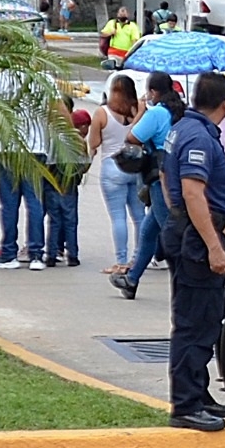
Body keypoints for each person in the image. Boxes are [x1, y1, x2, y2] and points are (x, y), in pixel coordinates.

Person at [161, 73, 225, 432]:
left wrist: (176, 213)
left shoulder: (182, 129)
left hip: (187, 227)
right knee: (196, 322)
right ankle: (187, 404)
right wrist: (212, 244)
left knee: (203, 318)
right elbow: (193, 192)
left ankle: (198, 393)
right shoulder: (197, 137)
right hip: (197, 235)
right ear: (224, 105)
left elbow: (165, 176)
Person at [0, 70, 69, 271]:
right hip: (37, 148)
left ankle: (8, 253)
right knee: (35, 203)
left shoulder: (0, 78)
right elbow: (59, 111)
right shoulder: (44, 79)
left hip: (7, 148)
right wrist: (70, 139)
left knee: (8, 205)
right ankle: (36, 255)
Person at [110, 73, 184, 300]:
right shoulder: (180, 110)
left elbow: (133, 136)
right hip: (177, 171)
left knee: (169, 230)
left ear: (153, 92)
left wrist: (142, 112)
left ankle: (184, 281)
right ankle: (132, 279)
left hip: (159, 175)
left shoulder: (157, 113)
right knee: (149, 229)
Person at [88, 75, 145, 275]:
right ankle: (139, 258)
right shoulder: (137, 111)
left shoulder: (102, 113)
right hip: (135, 167)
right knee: (139, 216)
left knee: (118, 217)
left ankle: (121, 260)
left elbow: (93, 143)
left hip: (112, 167)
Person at [45, 107, 92, 267]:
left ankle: (51, 254)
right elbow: (84, 166)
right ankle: (73, 255)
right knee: (71, 221)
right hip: (70, 186)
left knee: (54, 221)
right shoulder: (79, 142)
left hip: (53, 184)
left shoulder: (55, 139)